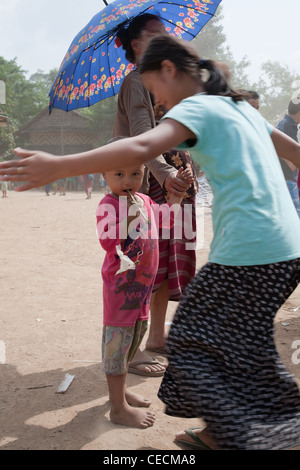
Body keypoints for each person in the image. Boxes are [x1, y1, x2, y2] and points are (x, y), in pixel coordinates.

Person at [1, 34, 300, 449]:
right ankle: (223, 430)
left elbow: (141, 145)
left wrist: (59, 165)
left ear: (169, 71)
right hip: (287, 251)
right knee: (233, 339)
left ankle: (273, 428)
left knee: (194, 342)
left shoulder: (198, 106)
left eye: (156, 92)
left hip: (249, 251)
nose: (159, 105)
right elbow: (297, 155)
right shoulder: (239, 107)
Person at [113, 13, 191, 375]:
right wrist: (169, 173)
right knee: (140, 271)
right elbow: (144, 140)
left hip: (174, 184)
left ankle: (156, 337)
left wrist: (189, 168)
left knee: (161, 270)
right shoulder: (134, 82)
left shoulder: (166, 82)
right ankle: (130, 351)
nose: (167, 40)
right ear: (136, 44)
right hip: (148, 190)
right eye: (156, 35)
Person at [96, 157, 193, 428]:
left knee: (132, 341)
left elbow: (163, 221)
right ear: (104, 174)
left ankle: (121, 393)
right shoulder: (109, 205)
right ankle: (118, 408)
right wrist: (129, 216)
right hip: (120, 291)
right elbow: (107, 241)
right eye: (119, 173)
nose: (128, 181)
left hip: (142, 288)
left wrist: (176, 196)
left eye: (135, 174)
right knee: (117, 346)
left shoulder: (144, 200)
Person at [146, 104, 199, 353]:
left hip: (182, 191)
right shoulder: (145, 89)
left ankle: (157, 335)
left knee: (169, 268)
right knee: (154, 266)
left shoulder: (181, 110)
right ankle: (136, 342)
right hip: (161, 188)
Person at [276, 100, 300, 217]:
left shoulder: (292, 126)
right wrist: (290, 163)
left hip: (292, 176)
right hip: (287, 176)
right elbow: (275, 145)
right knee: (296, 212)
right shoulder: (284, 124)